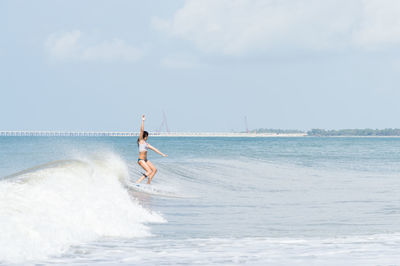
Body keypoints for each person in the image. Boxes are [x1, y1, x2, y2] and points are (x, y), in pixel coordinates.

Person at [136, 115, 167, 184]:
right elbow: (141, 130)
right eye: (147, 136)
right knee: (149, 171)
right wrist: (143, 121)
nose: (148, 137)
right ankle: (137, 182)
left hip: (145, 160)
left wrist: (162, 154)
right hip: (141, 160)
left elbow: (155, 149)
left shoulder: (147, 144)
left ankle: (148, 182)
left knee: (154, 170)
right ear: (145, 136)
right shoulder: (140, 141)